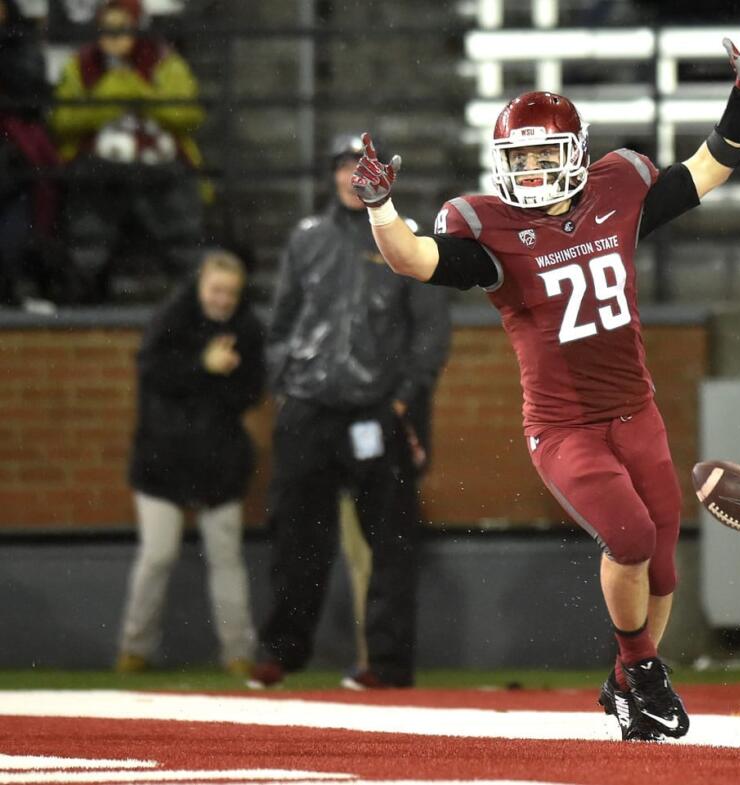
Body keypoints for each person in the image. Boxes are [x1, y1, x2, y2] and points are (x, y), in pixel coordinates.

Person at [349, 12, 740, 742]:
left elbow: (709, 167)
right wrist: (381, 207)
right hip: (563, 426)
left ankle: (623, 683)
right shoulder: (490, 229)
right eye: (519, 160)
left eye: (545, 157)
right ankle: (644, 673)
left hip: (634, 409)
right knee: (631, 535)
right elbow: (414, 259)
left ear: (577, 154)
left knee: (665, 566)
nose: (532, 172)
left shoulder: (619, 189)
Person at [246, 132, 451, 691]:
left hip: (378, 412)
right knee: (295, 540)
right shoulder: (307, 238)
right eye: (342, 166)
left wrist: (403, 399)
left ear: (382, 174)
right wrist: (285, 382)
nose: (349, 176)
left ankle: (386, 666)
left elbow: (430, 333)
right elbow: (282, 320)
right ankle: (279, 655)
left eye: (358, 166)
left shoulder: (407, 238)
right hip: (309, 411)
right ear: (333, 174)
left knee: (391, 545)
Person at [117, 250, 263, 676]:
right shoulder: (169, 319)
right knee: (157, 555)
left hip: (219, 463)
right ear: (200, 284)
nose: (222, 300)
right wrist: (205, 365)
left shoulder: (247, 328)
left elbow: (250, 392)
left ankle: (238, 654)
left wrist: (224, 373)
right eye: (216, 290)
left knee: (226, 558)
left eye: (230, 294)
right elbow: (153, 374)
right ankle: (133, 648)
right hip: (161, 460)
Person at [49, 0, 205, 301]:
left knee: (176, 212)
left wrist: (138, 92)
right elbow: (62, 121)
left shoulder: (165, 62)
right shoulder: (79, 65)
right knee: (89, 205)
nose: (114, 36)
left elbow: (188, 115)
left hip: (159, 162)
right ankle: (82, 290)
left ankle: (194, 292)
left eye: (122, 28)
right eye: (107, 28)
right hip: (98, 163)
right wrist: (109, 97)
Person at [0, 0, 66, 306]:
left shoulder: (22, 44)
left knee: (17, 216)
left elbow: (32, 93)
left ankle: (14, 283)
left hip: (15, 150)